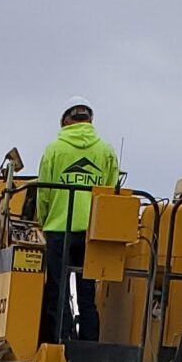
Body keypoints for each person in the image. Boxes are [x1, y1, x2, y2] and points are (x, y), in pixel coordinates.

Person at [36, 103, 121, 345]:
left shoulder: (54, 150)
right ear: (90, 121)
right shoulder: (106, 151)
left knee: (57, 290)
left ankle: (60, 342)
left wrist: (44, 221)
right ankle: (88, 345)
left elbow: (43, 193)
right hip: (91, 233)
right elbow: (109, 193)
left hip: (57, 229)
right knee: (87, 292)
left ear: (65, 121)